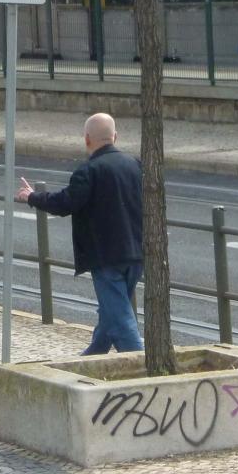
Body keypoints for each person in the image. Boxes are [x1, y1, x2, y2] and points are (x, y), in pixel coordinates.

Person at [15, 112, 144, 355]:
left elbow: (65, 203)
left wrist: (32, 197)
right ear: (115, 137)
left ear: (87, 139)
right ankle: (90, 359)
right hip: (136, 253)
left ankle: (144, 367)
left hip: (106, 257)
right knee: (112, 313)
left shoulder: (89, 170)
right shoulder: (135, 165)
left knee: (121, 321)